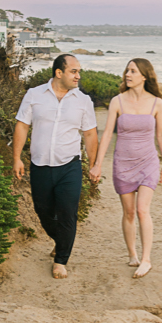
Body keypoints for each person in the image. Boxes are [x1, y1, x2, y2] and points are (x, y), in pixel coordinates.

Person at [13, 55, 98, 280]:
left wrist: (95, 164)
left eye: (79, 71)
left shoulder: (83, 101)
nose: (78, 76)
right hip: (40, 164)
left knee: (67, 213)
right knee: (43, 211)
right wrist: (17, 158)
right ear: (59, 73)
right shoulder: (34, 95)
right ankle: (61, 240)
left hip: (70, 165)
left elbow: (90, 134)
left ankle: (61, 260)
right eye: (73, 71)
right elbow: (22, 126)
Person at [89, 58, 162, 279]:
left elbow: (161, 135)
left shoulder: (156, 103)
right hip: (123, 164)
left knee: (143, 210)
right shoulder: (117, 101)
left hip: (148, 162)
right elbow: (106, 134)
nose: (128, 74)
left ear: (144, 76)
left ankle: (146, 259)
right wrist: (97, 164)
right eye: (127, 70)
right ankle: (132, 254)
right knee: (129, 212)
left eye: (133, 71)